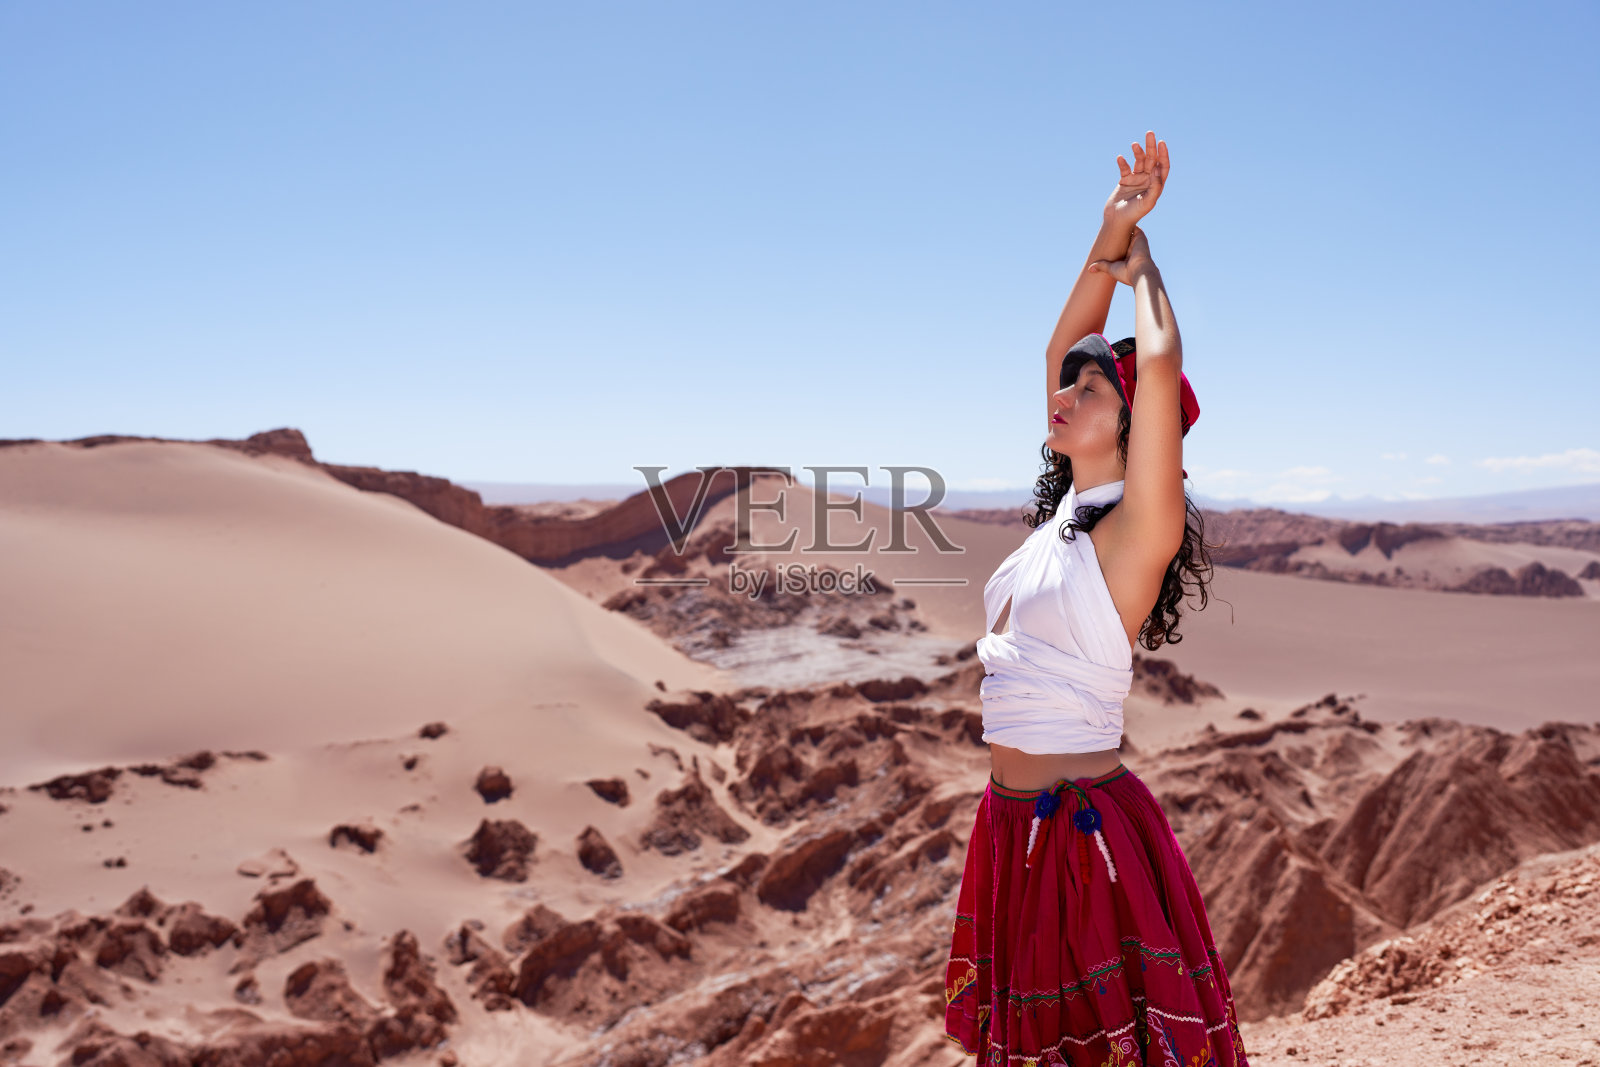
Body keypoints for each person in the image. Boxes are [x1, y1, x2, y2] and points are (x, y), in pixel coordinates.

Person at [942, 132, 1250, 1065]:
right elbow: (1058, 344)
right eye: (1067, 387)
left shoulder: (1132, 532)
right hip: (1011, 825)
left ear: (1134, 423)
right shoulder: (1067, 522)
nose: (1065, 392)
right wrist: (1106, 232)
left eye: (1090, 387)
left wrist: (1144, 261)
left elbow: (1157, 365)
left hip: (1080, 836)